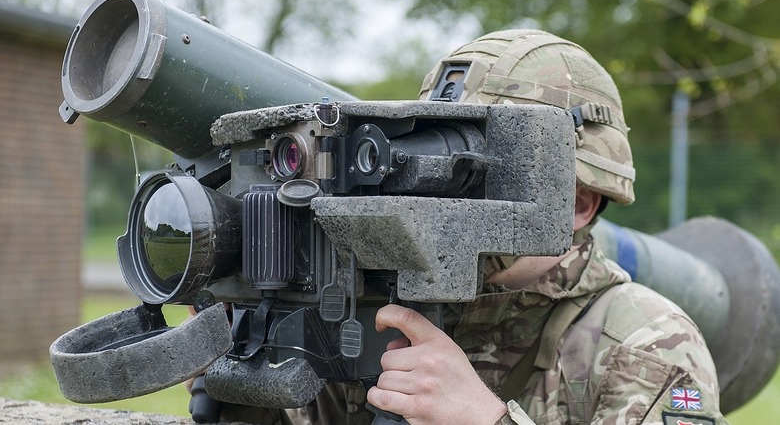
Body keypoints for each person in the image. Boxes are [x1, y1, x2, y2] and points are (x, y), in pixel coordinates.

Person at [193, 29, 729, 425]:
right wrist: (242, 390)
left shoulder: (645, 344)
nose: (442, 197)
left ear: (578, 205)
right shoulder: (374, 303)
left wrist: (483, 419)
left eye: (478, 178)